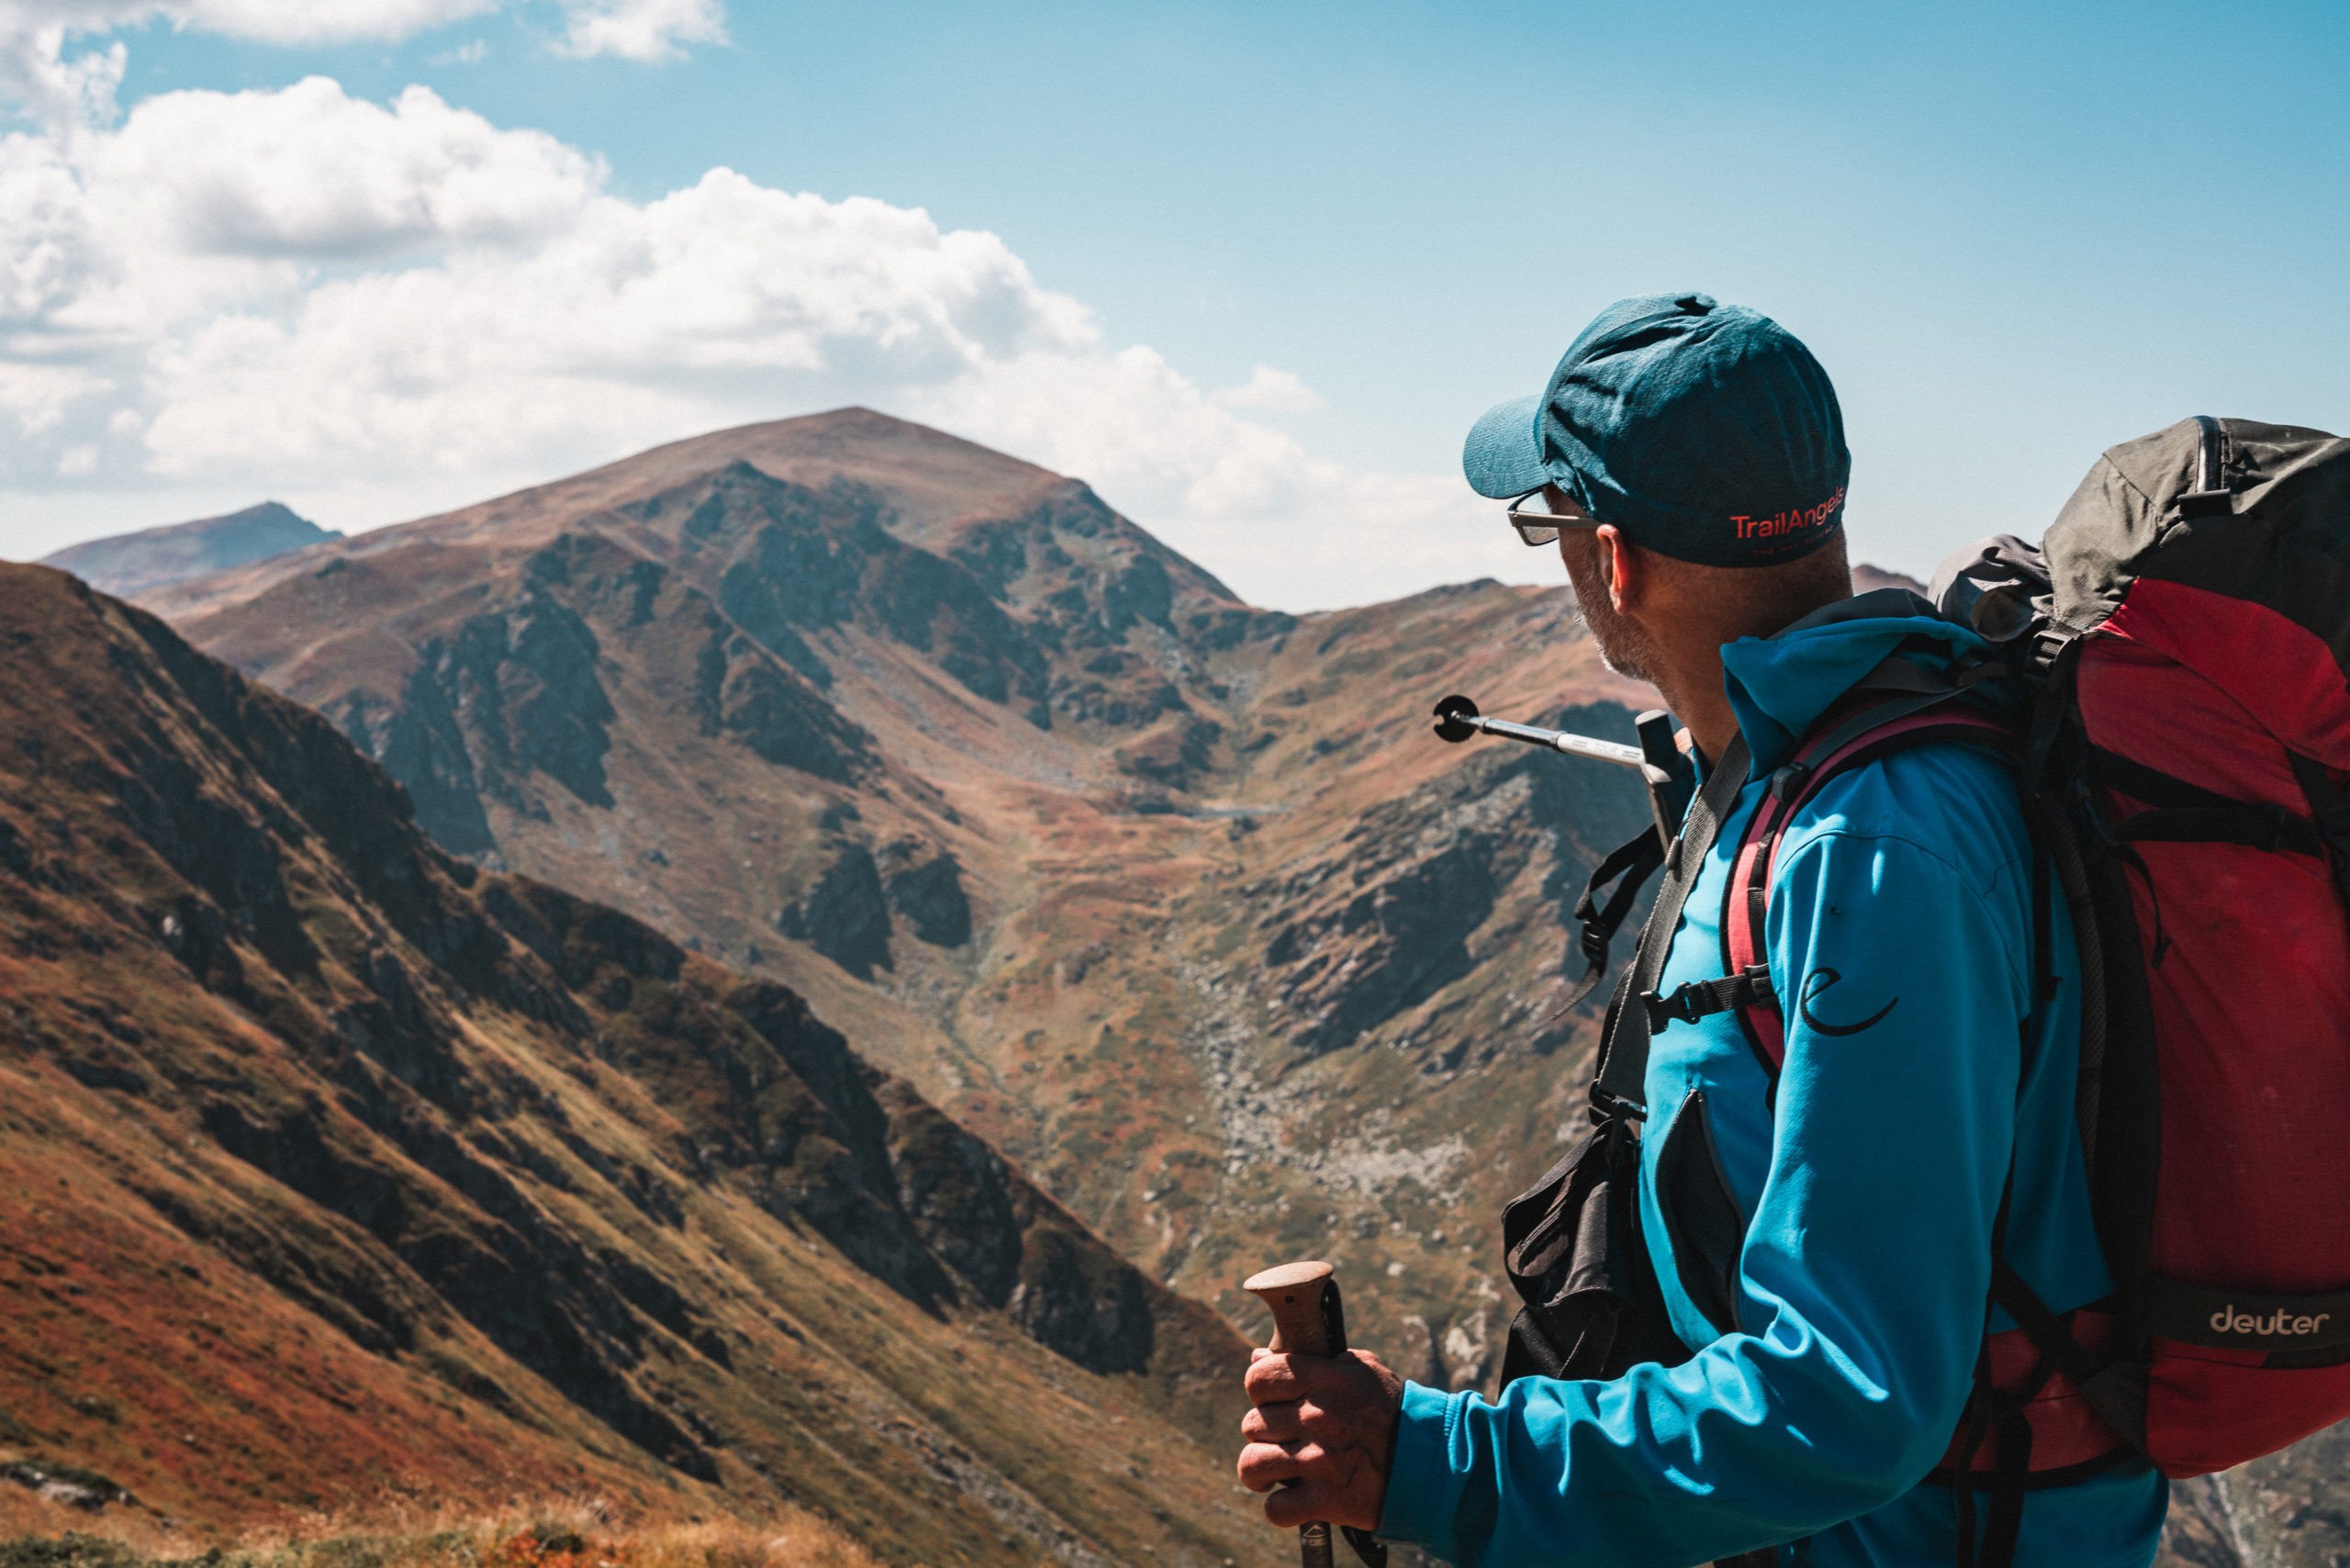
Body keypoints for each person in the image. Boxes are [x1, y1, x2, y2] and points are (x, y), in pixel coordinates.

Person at [1235, 293, 2169, 1567]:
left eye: (1549, 524)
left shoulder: (1870, 845)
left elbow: (1847, 1398)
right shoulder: (1809, 773)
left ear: (1610, 559)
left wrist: (1435, 1461)